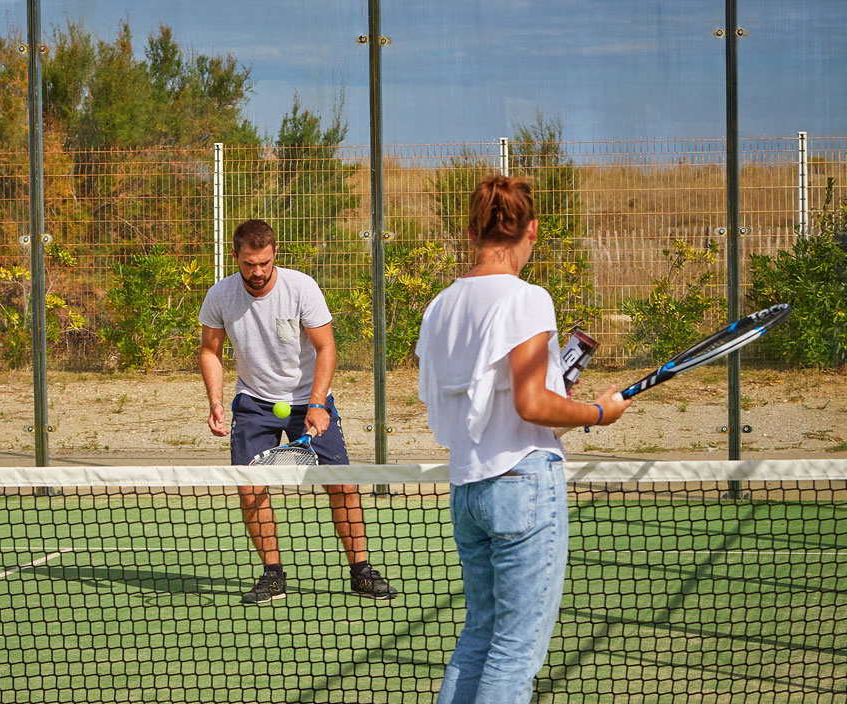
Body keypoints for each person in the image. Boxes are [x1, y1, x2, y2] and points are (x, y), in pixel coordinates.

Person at [415, 176, 631, 703]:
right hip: (523, 485)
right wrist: (598, 413)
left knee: (479, 636)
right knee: (515, 650)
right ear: (531, 230)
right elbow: (531, 404)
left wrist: (562, 400)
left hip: (468, 489)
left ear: (472, 232)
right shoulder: (527, 298)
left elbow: (478, 400)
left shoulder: (440, 306)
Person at [198, 218, 398, 605]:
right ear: (235, 256)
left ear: (275, 254)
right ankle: (273, 576)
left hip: (309, 399)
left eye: (264, 263)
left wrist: (318, 403)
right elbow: (210, 351)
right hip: (254, 402)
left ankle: (361, 572)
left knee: (343, 485)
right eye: (249, 264)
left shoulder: (301, 287)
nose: (257, 272)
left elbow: (326, 348)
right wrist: (216, 402)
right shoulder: (220, 295)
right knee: (250, 488)